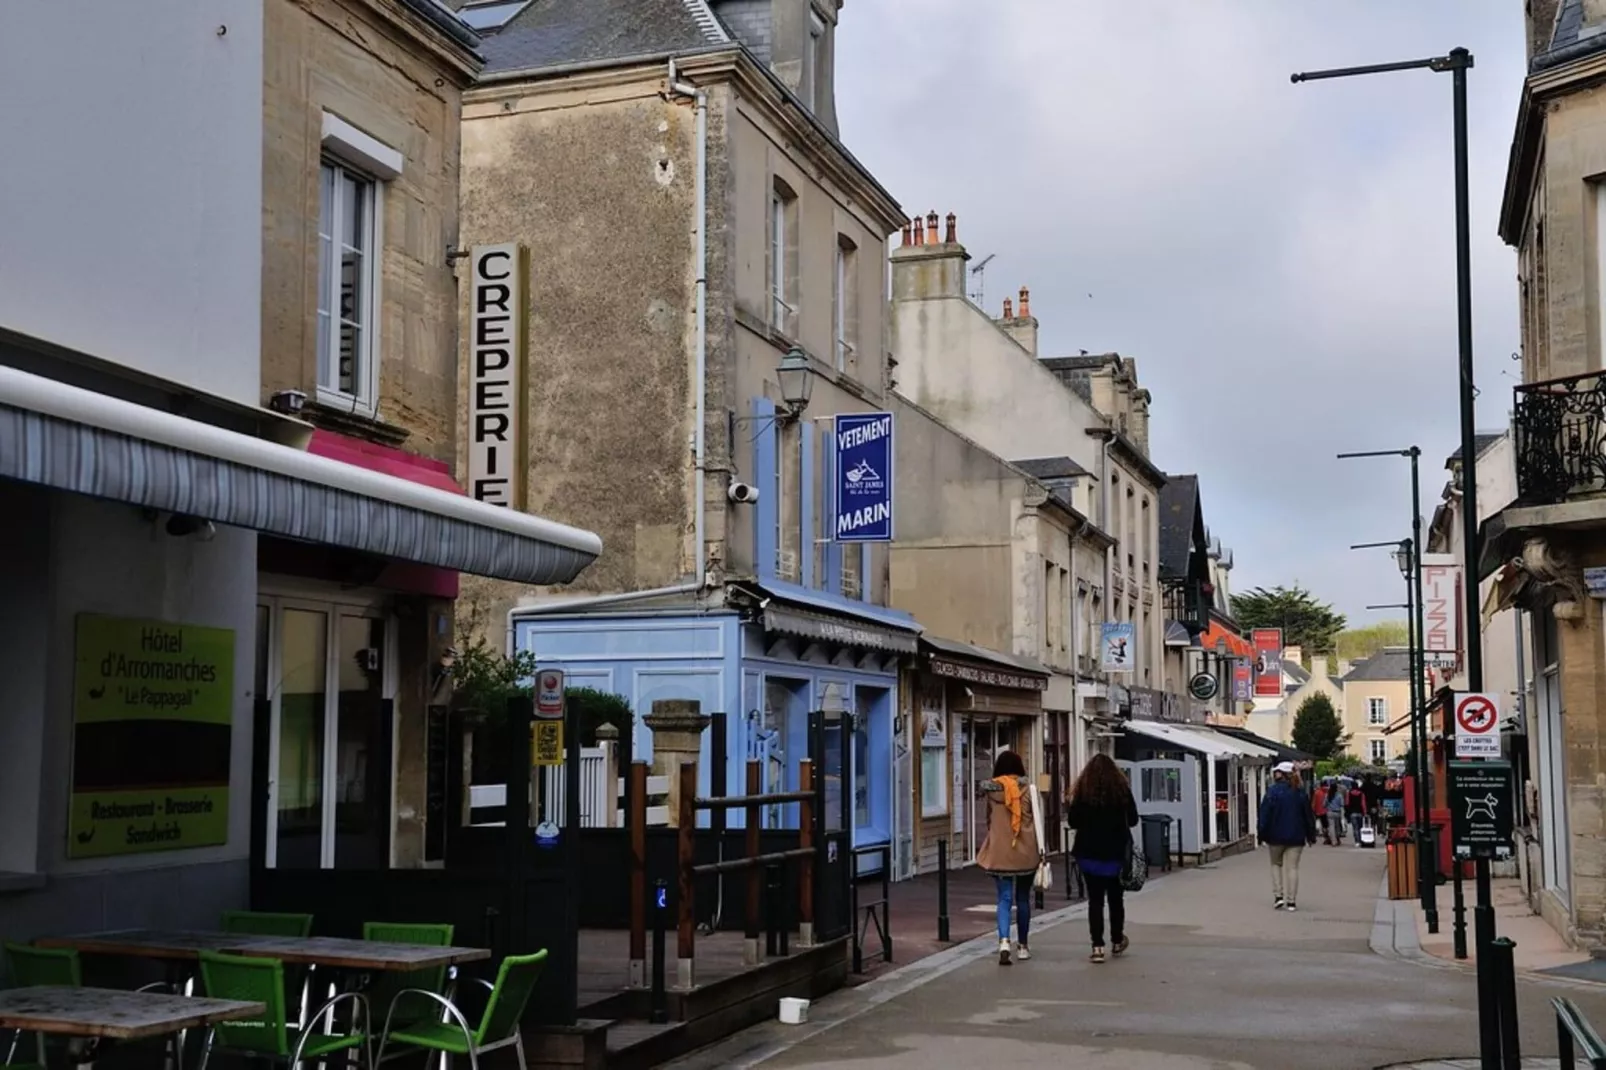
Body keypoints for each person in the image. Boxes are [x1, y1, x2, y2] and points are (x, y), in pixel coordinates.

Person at [1066, 753, 1140, 964]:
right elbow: (1133, 820)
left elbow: (1073, 821)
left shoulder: (1083, 792)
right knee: (1116, 899)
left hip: (1088, 853)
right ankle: (1117, 940)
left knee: (1095, 901)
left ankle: (1097, 946)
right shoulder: (1122, 792)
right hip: (1116, 854)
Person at [976, 749, 1042, 965]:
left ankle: (1004, 941)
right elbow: (1037, 821)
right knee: (1023, 899)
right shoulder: (1029, 790)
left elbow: (988, 820)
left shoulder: (991, 793)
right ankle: (1022, 946)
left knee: (1004, 899)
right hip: (1026, 853)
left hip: (1000, 852)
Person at [1258, 761, 1317, 911]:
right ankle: (1291, 901)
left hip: (1275, 835)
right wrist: (1311, 835)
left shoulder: (1272, 792)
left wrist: (1261, 834)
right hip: (1296, 836)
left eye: (1277, 772)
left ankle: (1278, 896)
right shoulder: (1300, 792)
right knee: (1293, 868)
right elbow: (1308, 816)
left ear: (1281, 774)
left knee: (1276, 864)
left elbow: (1264, 815)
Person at [1324, 777, 1346, 845]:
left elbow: (1324, 804)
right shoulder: (1339, 796)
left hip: (1330, 812)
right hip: (1337, 813)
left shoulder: (1328, 795)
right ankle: (1337, 838)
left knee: (1331, 827)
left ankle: (1334, 841)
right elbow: (1342, 805)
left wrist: (1327, 806)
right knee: (1337, 827)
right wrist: (1342, 814)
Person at [1345, 780, 1367, 845]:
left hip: (1352, 813)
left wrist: (1347, 813)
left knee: (1355, 828)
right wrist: (1365, 812)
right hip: (1360, 813)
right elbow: (1363, 804)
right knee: (1360, 827)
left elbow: (1347, 803)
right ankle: (1361, 839)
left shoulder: (1349, 793)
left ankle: (1357, 841)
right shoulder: (1361, 793)